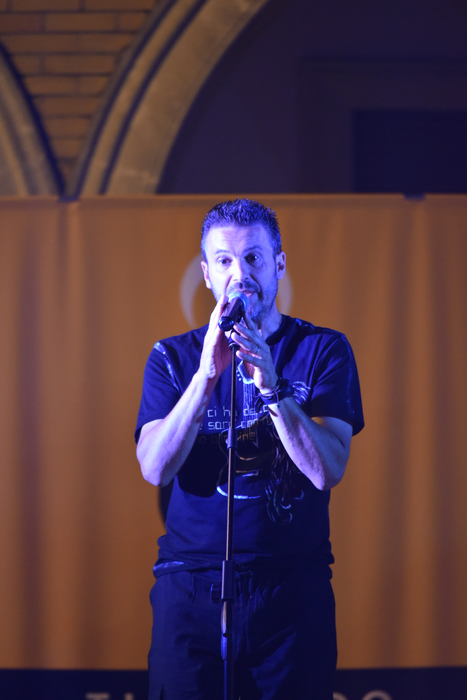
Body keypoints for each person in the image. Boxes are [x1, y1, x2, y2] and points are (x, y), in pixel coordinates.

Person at [135, 198, 364, 700]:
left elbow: (327, 469)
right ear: (207, 274)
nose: (240, 274)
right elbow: (155, 467)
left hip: (290, 590)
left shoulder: (323, 350)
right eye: (224, 260)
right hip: (189, 586)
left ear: (279, 264)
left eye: (253, 258)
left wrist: (272, 386)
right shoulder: (172, 357)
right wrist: (205, 377)